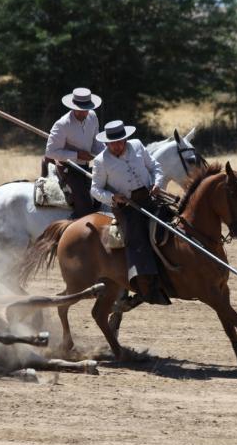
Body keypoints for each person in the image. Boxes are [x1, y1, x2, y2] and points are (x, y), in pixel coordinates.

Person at [90, 120, 170, 305]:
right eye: (113, 143)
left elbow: (155, 167)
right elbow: (95, 190)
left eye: (121, 141)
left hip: (150, 197)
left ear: (126, 139)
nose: (118, 146)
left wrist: (157, 182)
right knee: (137, 240)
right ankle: (145, 285)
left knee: (173, 220)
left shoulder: (137, 146)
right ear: (107, 143)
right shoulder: (101, 161)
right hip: (127, 207)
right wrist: (113, 198)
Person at [44, 87, 104, 218]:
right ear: (73, 107)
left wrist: (107, 155)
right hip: (68, 168)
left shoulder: (92, 117)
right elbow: (50, 151)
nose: (85, 112)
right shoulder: (62, 124)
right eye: (81, 109)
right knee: (85, 208)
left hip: (85, 166)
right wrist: (77, 155)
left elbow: (96, 143)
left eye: (87, 108)